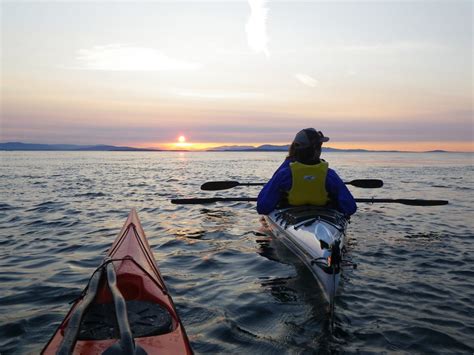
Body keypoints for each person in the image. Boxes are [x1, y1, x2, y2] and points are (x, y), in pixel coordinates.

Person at [256, 128, 357, 216]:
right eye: (319, 146)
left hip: (290, 217)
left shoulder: (284, 174)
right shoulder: (329, 175)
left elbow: (262, 208)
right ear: (316, 150)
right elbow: (350, 208)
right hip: (325, 218)